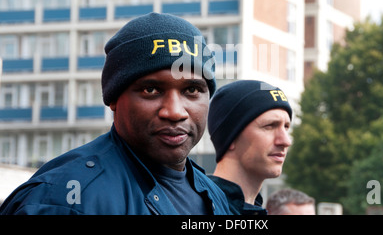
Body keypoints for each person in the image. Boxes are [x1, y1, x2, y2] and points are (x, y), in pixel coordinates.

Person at [0, 12, 231, 215]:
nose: (174, 112)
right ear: (113, 99)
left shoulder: (213, 194)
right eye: (151, 90)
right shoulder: (63, 199)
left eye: (192, 90)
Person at [207, 80, 292, 215]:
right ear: (231, 135)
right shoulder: (196, 208)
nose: (286, 141)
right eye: (269, 126)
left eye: (286, 127)